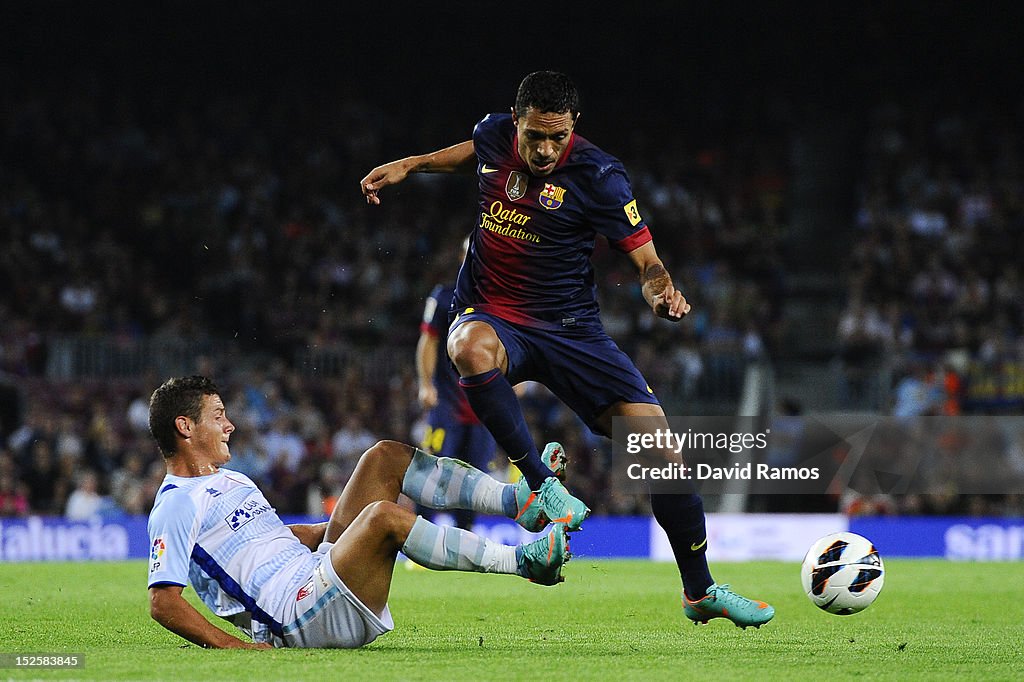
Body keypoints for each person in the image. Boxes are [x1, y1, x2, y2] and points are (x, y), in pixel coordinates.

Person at [360, 71, 773, 628]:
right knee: (467, 345)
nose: (546, 150)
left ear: (573, 127)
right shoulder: (493, 135)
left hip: (572, 331)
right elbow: (471, 153)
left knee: (663, 456)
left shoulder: (600, 175)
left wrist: (661, 293)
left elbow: (646, 261)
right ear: (517, 122)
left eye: (558, 138)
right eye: (535, 137)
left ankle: (700, 591)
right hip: (496, 315)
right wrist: (411, 165)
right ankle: (539, 484)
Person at [146, 376, 569, 649]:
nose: (230, 425)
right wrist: (235, 649)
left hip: (315, 572)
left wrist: (343, 532)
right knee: (383, 516)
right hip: (295, 617)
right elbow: (163, 602)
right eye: (218, 416)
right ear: (186, 427)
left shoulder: (232, 480)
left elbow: (276, 539)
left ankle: (519, 502)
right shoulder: (177, 503)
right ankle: (523, 563)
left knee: (383, 457)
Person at [415, 238, 500, 529]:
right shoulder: (443, 297)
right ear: (463, 257)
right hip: (448, 404)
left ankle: (465, 542)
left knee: (474, 480)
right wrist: (425, 383)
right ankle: (420, 539)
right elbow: (429, 340)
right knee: (432, 471)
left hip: (485, 408)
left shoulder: (501, 301)